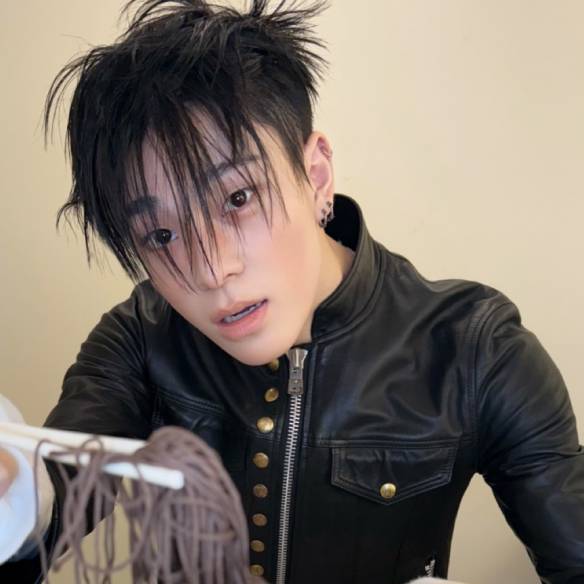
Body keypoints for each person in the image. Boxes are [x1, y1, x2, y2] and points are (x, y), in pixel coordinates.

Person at [0, 0, 583, 582]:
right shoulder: (140, 339)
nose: (212, 270)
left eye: (237, 198)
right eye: (161, 234)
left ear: (316, 176)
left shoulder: (476, 349)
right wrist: (13, 491)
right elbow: (52, 495)